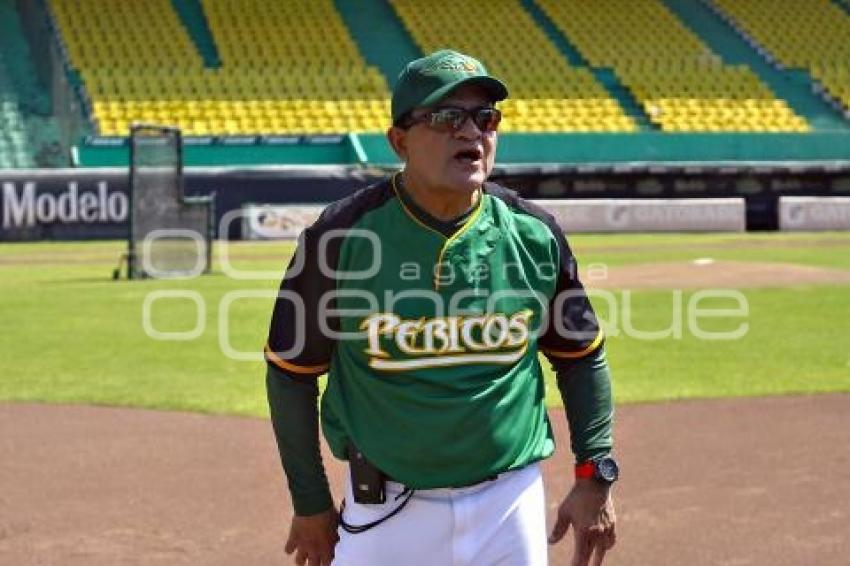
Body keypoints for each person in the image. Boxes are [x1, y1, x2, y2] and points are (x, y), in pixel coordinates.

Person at [265, 49, 617, 566]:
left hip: (509, 504)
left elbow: (581, 356)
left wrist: (595, 475)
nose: (471, 132)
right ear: (399, 140)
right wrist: (311, 502)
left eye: (485, 117)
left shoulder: (533, 233)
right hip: (385, 511)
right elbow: (291, 373)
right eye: (447, 117)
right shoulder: (339, 238)